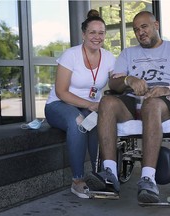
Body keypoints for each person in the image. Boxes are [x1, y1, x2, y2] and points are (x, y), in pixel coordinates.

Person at [84, 11, 170, 203]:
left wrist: (168, 89)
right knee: (107, 102)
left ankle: (148, 178)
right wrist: (127, 79)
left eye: (144, 27)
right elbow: (114, 85)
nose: (140, 32)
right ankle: (110, 174)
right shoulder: (128, 53)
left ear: (156, 25)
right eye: (136, 29)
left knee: (151, 104)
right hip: (134, 100)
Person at [44, 9, 116, 199]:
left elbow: (117, 82)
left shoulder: (109, 57)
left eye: (101, 33)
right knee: (79, 122)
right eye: (92, 32)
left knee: (97, 124)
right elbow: (61, 91)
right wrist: (91, 104)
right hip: (59, 105)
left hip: (87, 107)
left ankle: (99, 176)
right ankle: (77, 181)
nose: (97, 37)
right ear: (83, 34)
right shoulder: (71, 55)